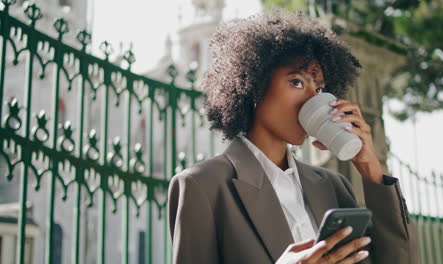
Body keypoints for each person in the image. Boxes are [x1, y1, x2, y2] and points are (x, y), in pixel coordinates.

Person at [168, 8, 418, 264]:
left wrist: (370, 168)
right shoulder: (203, 185)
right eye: (297, 82)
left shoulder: (333, 186)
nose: (314, 98)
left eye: (319, 88)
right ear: (254, 86)